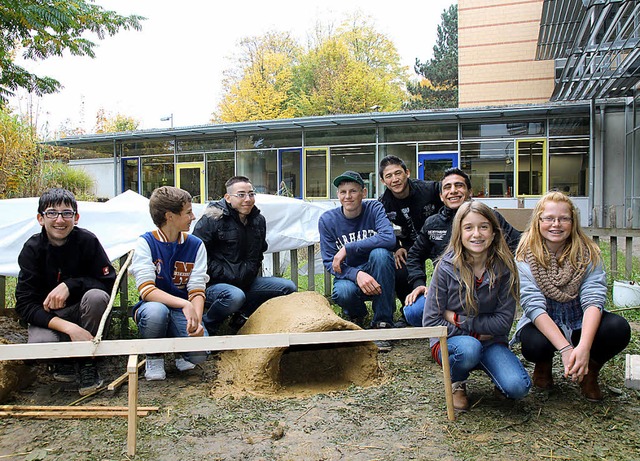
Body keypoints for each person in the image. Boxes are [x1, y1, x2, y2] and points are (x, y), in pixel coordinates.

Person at [511, 191, 631, 401]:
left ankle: (590, 370)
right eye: (548, 218)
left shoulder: (589, 253)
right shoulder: (523, 255)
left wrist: (583, 347)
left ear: (573, 221)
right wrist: (566, 349)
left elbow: (594, 299)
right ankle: (543, 365)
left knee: (618, 329)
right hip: (545, 321)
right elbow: (533, 306)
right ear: (538, 221)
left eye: (563, 218)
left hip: (579, 320)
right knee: (533, 344)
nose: (556, 224)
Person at [422, 200, 531, 411]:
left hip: (492, 341)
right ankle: (457, 382)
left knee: (519, 388)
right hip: (452, 342)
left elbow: (502, 323)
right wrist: (476, 335)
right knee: (469, 349)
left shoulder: (506, 268)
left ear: (493, 232)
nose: (476, 234)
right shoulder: (445, 267)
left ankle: (492, 368)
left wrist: (457, 318)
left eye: (483, 227)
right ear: (459, 233)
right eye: (468, 227)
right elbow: (432, 320)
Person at [15, 188, 115, 395]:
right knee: (41, 343)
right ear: (40, 218)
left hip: (82, 312)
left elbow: (107, 283)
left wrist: (71, 285)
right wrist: (69, 328)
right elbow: (24, 304)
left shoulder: (88, 242)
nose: (60, 220)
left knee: (97, 297)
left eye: (66, 213)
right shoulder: (31, 249)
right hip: (49, 316)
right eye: (52, 213)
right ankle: (61, 359)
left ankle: (88, 362)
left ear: (76, 218)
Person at [403, 167, 521, 325]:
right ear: (441, 196)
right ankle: (457, 327)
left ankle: (465, 328)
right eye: (447, 187)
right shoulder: (433, 223)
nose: (453, 191)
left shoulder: (490, 218)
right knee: (414, 312)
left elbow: (519, 245)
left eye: (459, 186)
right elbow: (415, 255)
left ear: (470, 192)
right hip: (447, 291)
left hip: (483, 293)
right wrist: (419, 284)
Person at [192, 176, 296, 335]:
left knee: (287, 287)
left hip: (246, 282)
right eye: (241, 195)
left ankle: (242, 317)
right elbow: (197, 254)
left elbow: (259, 252)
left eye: (251, 194)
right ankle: (209, 324)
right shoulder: (212, 218)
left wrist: (249, 272)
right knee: (235, 295)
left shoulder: (258, 220)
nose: (247, 199)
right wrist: (225, 274)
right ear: (228, 197)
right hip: (215, 284)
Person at [130, 186, 209, 381]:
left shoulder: (196, 245)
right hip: (154, 307)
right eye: (188, 212)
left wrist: (196, 322)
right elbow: (147, 290)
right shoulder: (146, 243)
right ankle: (154, 356)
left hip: (183, 311)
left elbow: (197, 288)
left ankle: (181, 353)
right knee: (157, 312)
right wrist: (184, 304)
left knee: (200, 354)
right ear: (170, 216)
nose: (193, 217)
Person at [318, 171, 396, 351]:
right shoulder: (328, 220)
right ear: (338, 195)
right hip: (348, 275)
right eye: (343, 192)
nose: (348, 196)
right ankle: (357, 314)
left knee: (381, 254)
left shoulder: (374, 208)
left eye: (353, 191)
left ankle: (382, 322)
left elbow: (389, 239)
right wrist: (357, 274)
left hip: (376, 269)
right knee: (343, 291)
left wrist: (348, 248)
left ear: (364, 192)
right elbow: (330, 262)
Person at [378, 155, 442, 326]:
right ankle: (409, 310)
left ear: (407, 172)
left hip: (438, 239)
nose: (395, 179)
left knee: (444, 270)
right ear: (383, 181)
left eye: (398, 173)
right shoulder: (384, 203)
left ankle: (443, 309)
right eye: (389, 176)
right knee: (400, 268)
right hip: (411, 243)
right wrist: (396, 246)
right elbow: (382, 228)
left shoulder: (430, 189)